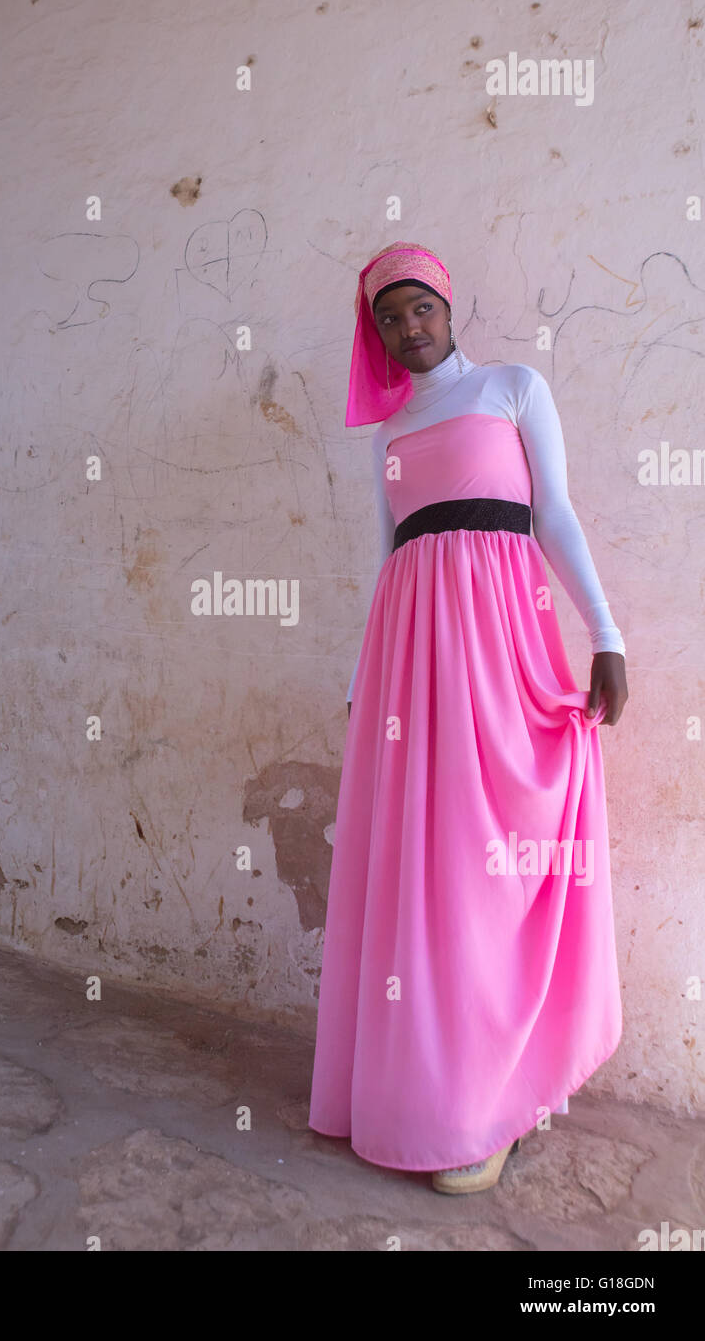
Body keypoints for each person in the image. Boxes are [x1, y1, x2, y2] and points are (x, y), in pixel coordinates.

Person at [308, 242, 628, 1194]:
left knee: (493, 864)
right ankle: (425, 1098)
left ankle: (500, 1102)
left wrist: (604, 634)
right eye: (388, 319)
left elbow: (553, 517)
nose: (409, 330)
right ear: (376, 334)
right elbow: (389, 556)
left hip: (502, 642)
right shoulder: (386, 437)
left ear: (448, 308)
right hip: (410, 661)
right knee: (425, 868)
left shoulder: (512, 389)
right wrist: (367, 685)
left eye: (421, 310)